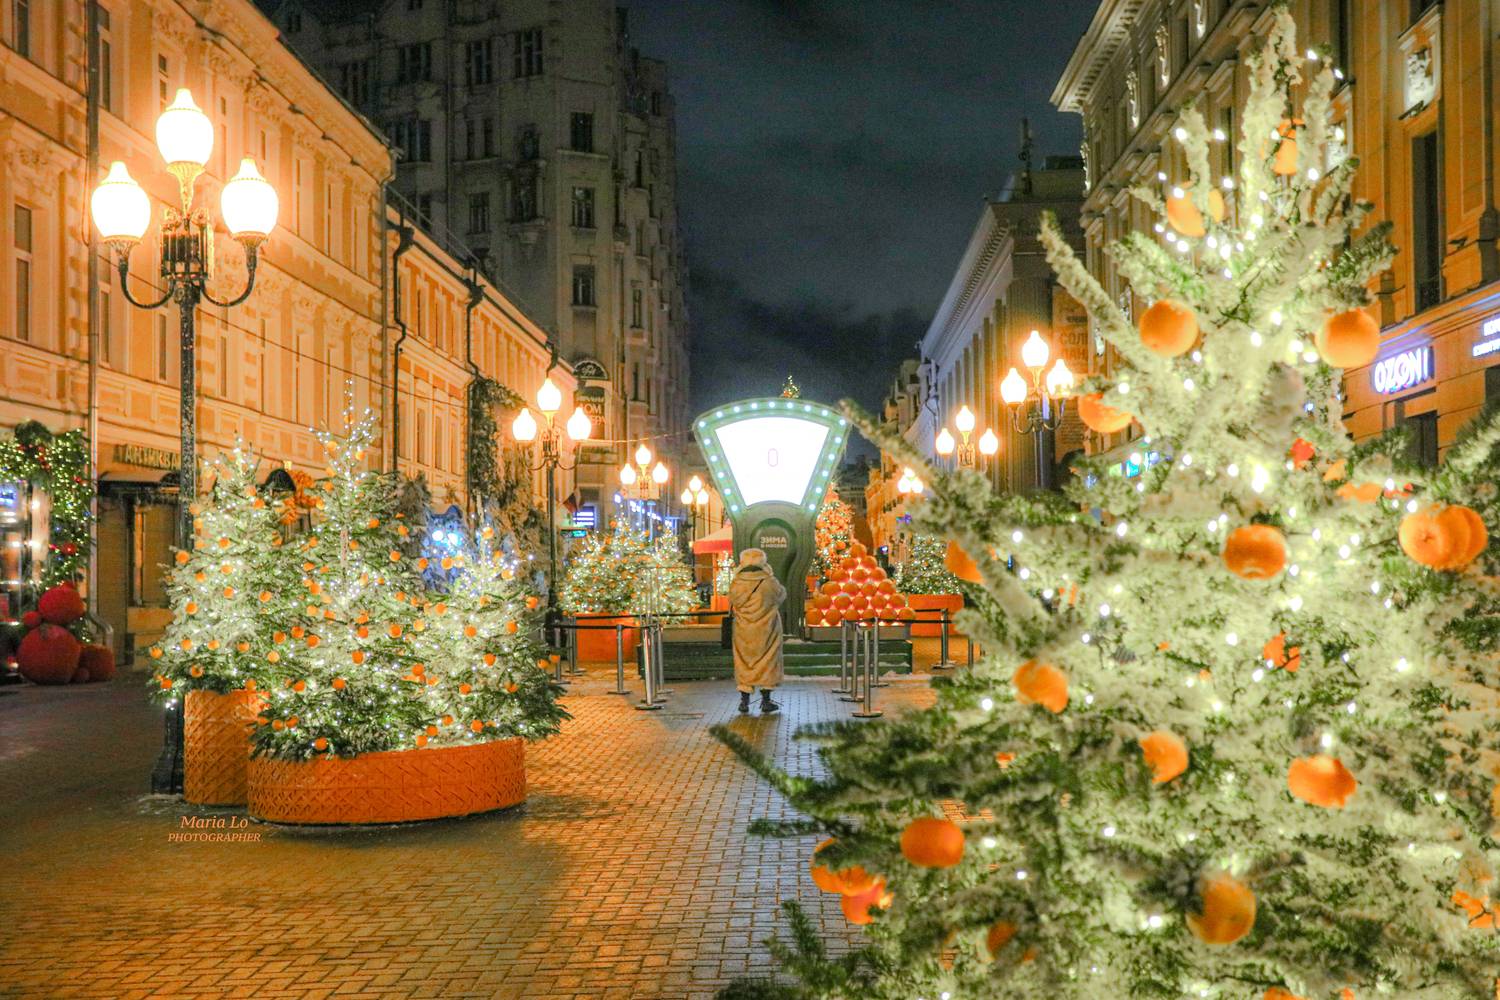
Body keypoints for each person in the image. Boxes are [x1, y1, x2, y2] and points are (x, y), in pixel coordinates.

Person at [727, 547, 786, 714]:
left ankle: (744, 702)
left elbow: (733, 600)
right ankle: (766, 701)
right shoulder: (769, 582)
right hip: (767, 630)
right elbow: (781, 595)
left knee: (744, 662)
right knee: (768, 662)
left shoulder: (737, 582)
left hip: (743, 631)